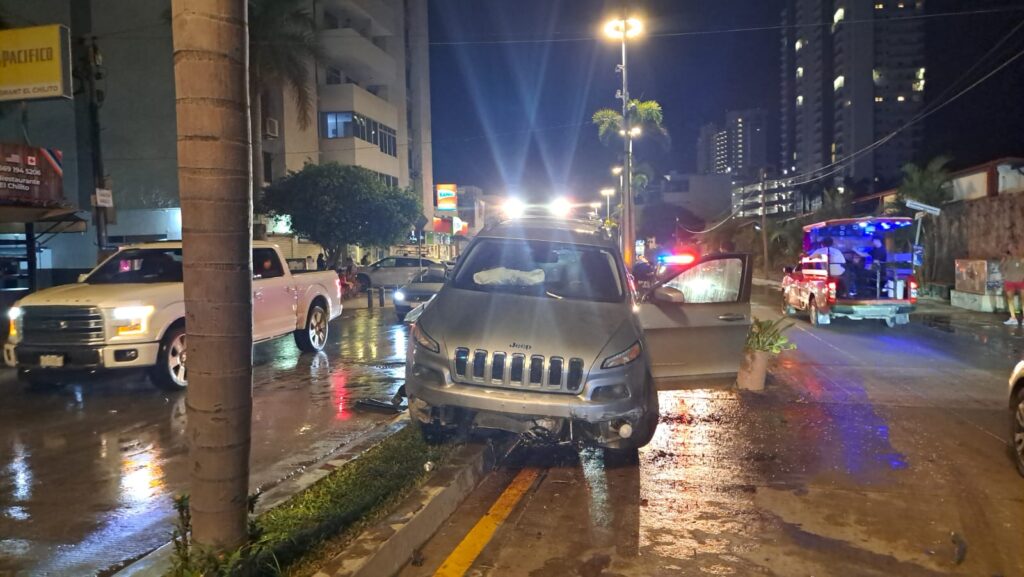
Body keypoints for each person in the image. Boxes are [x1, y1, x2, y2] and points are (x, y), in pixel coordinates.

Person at [1000, 244, 1024, 326]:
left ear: (1017, 249)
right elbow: (1001, 269)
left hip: (1021, 281)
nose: (1011, 250)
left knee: (1023, 300)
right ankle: (1013, 318)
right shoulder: (1007, 259)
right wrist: (1005, 275)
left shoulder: (1021, 259)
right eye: (1010, 249)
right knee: (1010, 300)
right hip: (1009, 282)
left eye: (1013, 248)